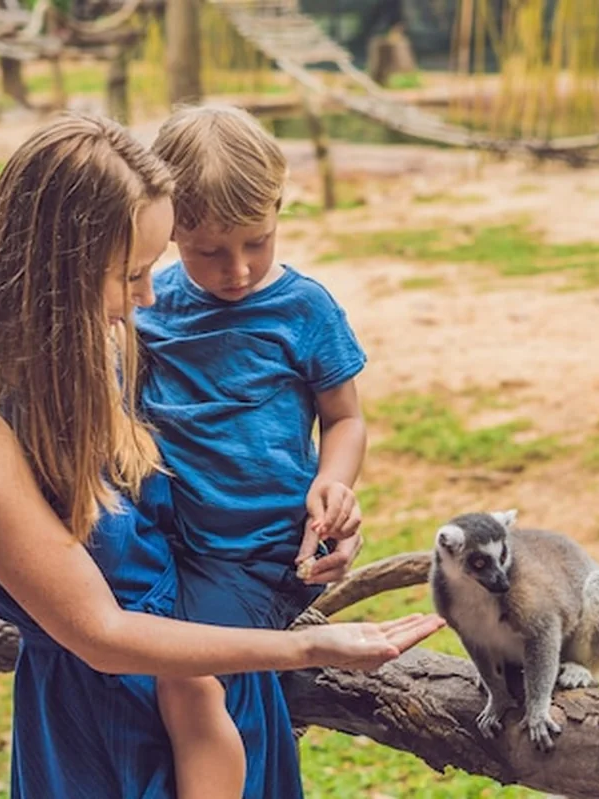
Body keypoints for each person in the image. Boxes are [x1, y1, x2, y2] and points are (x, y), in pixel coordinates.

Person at [0, 113, 443, 798]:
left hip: (218, 675)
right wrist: (307, 647)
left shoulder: (93, 354)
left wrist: (316, 518)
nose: (151, 296)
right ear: (58, 273)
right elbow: (100, 631)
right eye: (134, 273)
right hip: (113, 721)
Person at [134, 103, 369, 798]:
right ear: (168, 225)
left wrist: (335, 483)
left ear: (277, 211)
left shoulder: (305, 309)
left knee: (187, 674)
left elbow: (345, 417)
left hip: (263, 550)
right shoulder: (150, 302)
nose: (236, 270)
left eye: (256, 242)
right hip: (176, 539)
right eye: (208, 250)